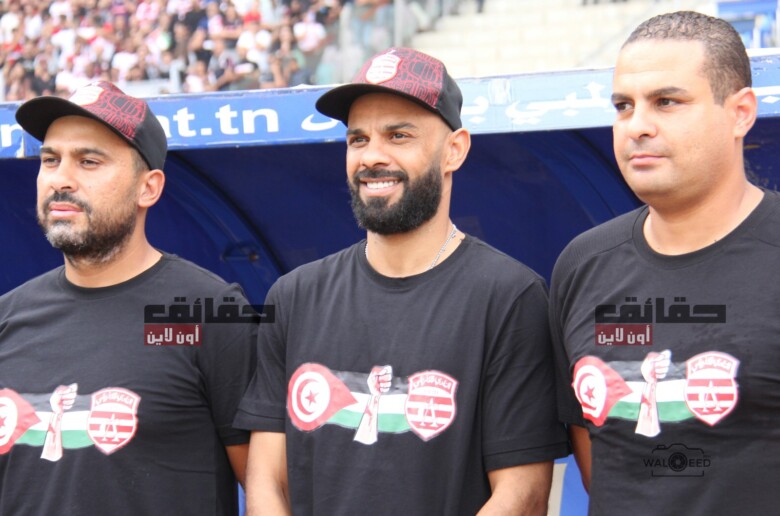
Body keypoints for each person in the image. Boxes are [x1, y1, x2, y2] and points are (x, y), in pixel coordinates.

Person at [234, 47, 569, 514]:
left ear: (454, 150)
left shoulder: (509, 296)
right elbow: (267, 480)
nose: (372, 156)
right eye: (358, 139)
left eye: (398, 135)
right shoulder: (295, 296)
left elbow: (522, 493)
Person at [550, 11, 780, 515]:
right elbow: (597, 455)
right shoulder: (581, 265)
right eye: (623, 106)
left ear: (740, 112)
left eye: (667, 102)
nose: (637, 126)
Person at [0, 81, 256, 515]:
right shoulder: (8, 317)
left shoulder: (210, 312)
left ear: (148, 188)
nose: (61, 179)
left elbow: (270, 488)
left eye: (89, 161)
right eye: (50, 160)